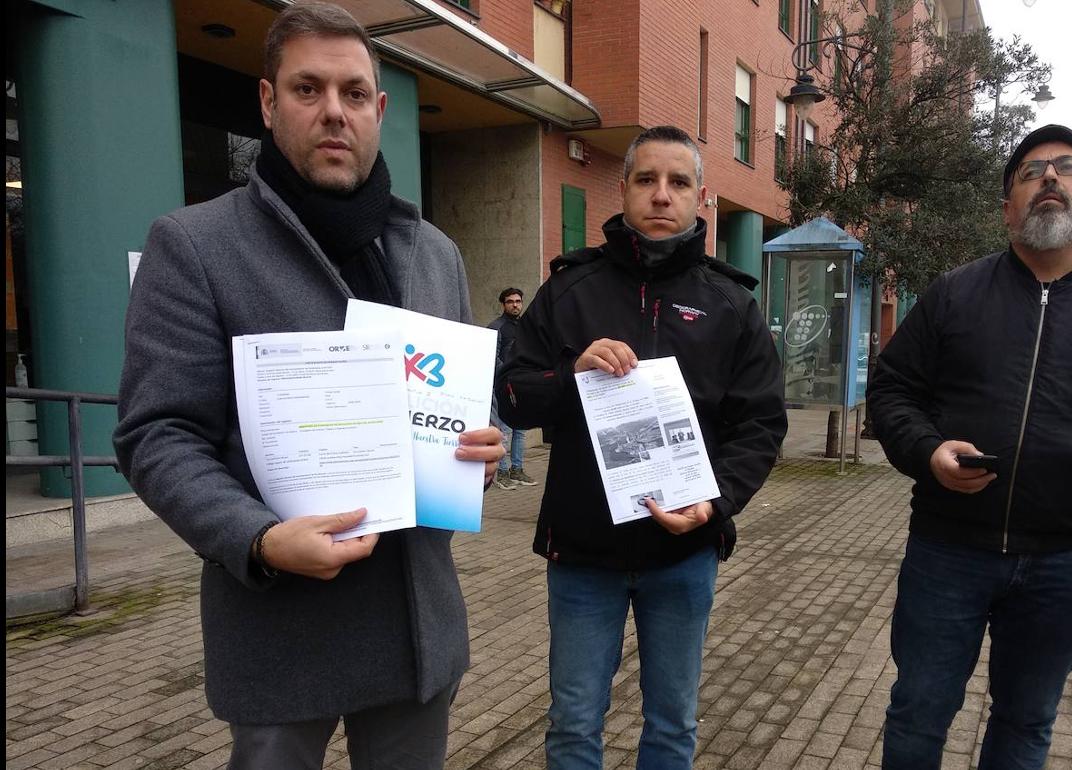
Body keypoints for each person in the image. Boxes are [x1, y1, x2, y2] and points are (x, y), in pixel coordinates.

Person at [113, 4, 502, 767]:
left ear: (379, 109)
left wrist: (479, 442)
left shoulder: (433, 253)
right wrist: (254, 538)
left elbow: (463, 397)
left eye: (354, 94)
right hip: (280, 625)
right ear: (267, 102)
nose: (334, 112)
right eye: (308, 89)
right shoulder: (195, 245)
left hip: (416, 628)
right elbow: (157, 434)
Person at [866, 124, 1072, 769]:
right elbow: (892, 392)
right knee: (918, 710)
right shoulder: (954, 295)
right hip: (947, 552)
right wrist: (927, 450)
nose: (1048, 177)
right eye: (1029, 171)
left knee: (1026, 721)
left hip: (1067, 561)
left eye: (1066, 168)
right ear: (1007, 206)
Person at [496, 125, 787, 769]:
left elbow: (761, 424)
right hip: (583, 555)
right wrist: (569, 375)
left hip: (683, 553)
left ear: (702, 197)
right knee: (573, 725)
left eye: (678, 182)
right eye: (646, 180)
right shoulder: (568, 291)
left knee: (672, 726)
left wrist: (716, 501)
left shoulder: (730, 304)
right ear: (622, 189)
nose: (661, 195)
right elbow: (511, 396)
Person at [488, 287, 536, 490]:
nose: (515, 305)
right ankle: (502, 472)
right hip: (502, 385)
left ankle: (517, 470)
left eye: (518, 301)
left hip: (521, 385)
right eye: (510, 301)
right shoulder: (496, 327)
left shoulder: (525, 326)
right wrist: (508, 374)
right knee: (505, 431)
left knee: (520, 431)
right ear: (503, 304)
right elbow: (492, 356)